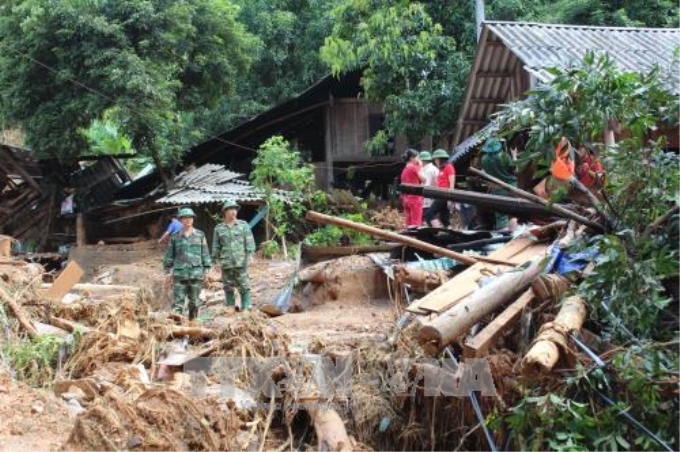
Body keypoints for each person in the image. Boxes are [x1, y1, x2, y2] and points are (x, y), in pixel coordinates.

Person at [163, 207, 211, 320]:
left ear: (193, 219)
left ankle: (192, 329)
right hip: (180, 275)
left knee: (194, 303)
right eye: (185, 218)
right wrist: (168, 272)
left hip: (196, 274)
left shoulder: (200, 235)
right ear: (181, 220)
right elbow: (169, 255)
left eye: (190, 217)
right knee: (178, 304)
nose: (188, 220)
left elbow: (205, 253)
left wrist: (207, 270)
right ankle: (177, 331)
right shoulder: (175, 237)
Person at [212, 199, 256, 311]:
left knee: (244, 284)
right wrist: (215, 261)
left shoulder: (243, 225)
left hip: (241, 261)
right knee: (228, 286)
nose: (234, 212)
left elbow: (249, 241)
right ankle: (230, 308)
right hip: (226, 262)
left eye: (235, 209)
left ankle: (246, 307)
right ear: (225, 211)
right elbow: (216, 246)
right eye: (231, 209)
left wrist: (250, 255)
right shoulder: (219, 228)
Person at [480, 138, 518, 230]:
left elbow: (485, 173)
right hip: (510, 187)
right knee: (513, 213)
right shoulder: (504, 156)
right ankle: (514, 235)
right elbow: (516, 170)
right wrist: (514, 156)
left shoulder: (484, 159)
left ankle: (504, 236)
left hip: (496, 189)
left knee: (501, 215)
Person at [425, 149, 455, 228]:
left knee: (429, 214)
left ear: (440, 159)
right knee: (444, 218)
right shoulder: (440, 169)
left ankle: (437, 230)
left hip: (445, 195)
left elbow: (451, 184)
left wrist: (450, 198)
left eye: (435, 159)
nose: (435, 161)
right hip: (440, 194)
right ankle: (450, 233)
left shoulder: (449, 167)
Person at [400, 149, 426, 227]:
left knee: (408, 221)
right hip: (415, 198)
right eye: (417, 158)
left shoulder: (405, 169)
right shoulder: (414, 168)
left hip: (406, 198)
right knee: (416, 222)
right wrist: (420, 167)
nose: (419, 160)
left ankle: (408, 237)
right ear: (412, 158)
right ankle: (415, 237)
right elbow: (424, 179)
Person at [419, 151, 439, 221]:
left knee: (429, 216)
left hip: (428, 199)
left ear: (422, 161)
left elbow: (426, 186)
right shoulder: (432, 168)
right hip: (432, 197)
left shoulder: (429, 170)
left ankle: (437, 229)